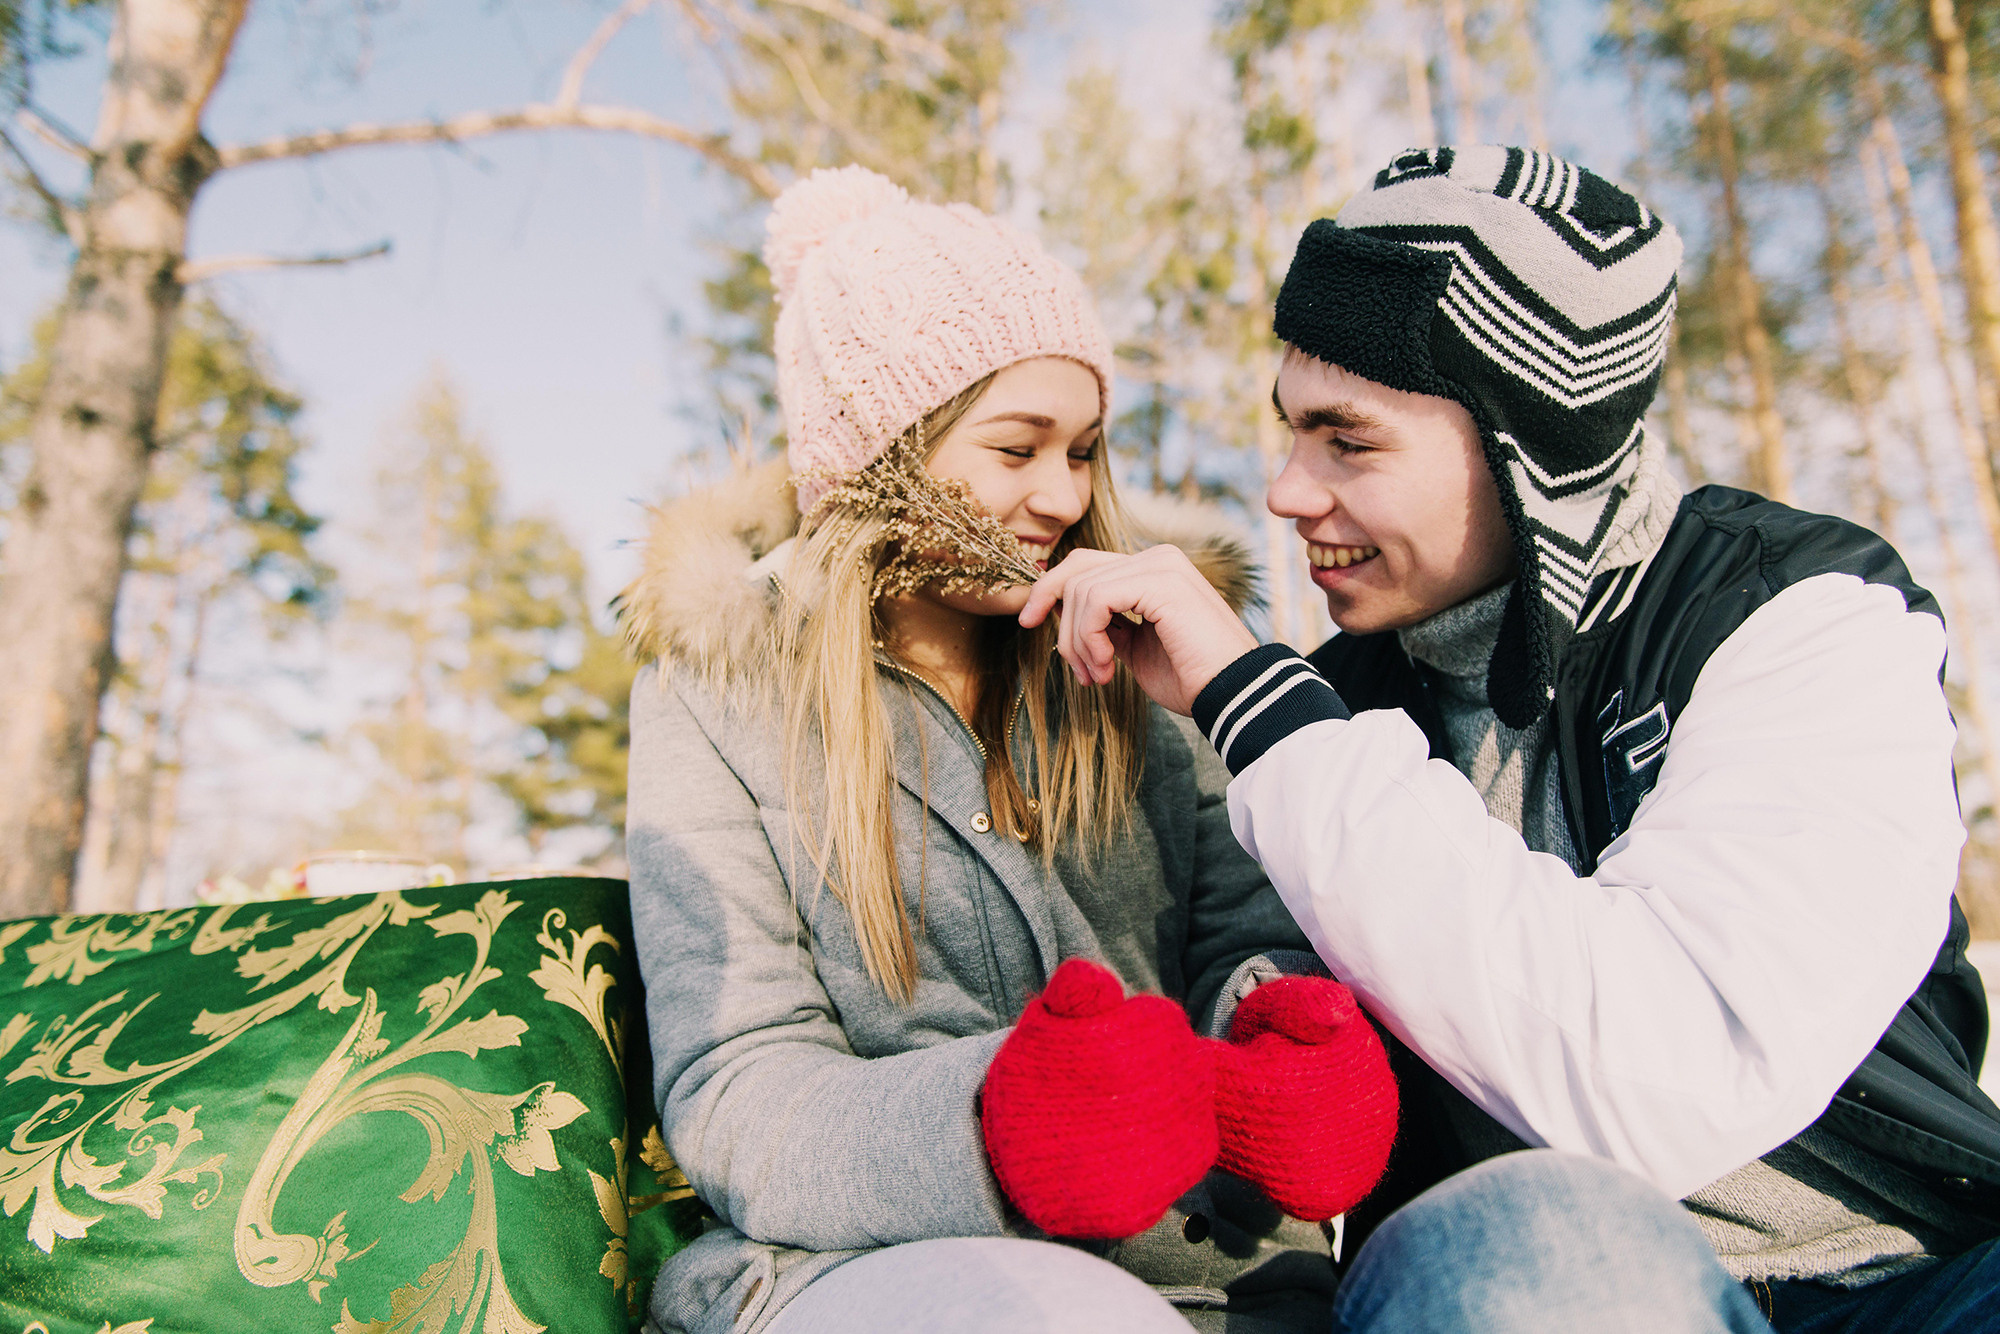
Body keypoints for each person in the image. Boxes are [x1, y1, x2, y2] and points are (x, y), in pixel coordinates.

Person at [1024, 145, 2000, 1332]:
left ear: (1527, 447)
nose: (1283, 491)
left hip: (1903, 1280)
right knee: (1533, 1247)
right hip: (1526, 1284)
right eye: (1288, 432)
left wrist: (1264, 710)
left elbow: (1662, 1072)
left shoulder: (1790, 616)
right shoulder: (1315, 715)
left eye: (1349, 439)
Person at [621, 166, 1399, 1334]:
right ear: (880, 453)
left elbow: (1246, 933)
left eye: (1081, 449)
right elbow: (736, 1082)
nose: (1060, 494)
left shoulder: (1152, 655)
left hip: (1206, 1272)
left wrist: (1268, 1040)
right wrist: (992, 1120)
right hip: (869, 1272)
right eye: (1015, 446)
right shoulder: (717, 688)